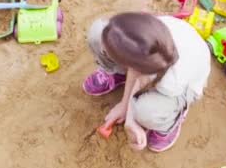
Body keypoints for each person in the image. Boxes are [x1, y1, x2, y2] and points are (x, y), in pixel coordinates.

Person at [83, 13, 211, 152]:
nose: (105, 54)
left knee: (145, 111)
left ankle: (169, 123)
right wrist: (124, 105)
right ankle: (117, 73)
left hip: (185, 84)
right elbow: (136, 68)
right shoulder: (140, 31)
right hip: (155, 56)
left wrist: (131, 116)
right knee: (98, 34)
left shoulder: (171, 80)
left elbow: (140, 76)